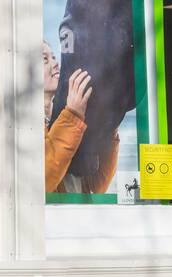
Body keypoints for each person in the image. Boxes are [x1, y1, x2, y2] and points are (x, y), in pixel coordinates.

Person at [44, 40, 119, 194]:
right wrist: (72, 114)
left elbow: (97, 187)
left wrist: (110, 127)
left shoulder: (66, 120)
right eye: (44, 59)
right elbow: (44, 181)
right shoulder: (26, 126)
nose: (55, 63)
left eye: (53, 57)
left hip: (79, 216)